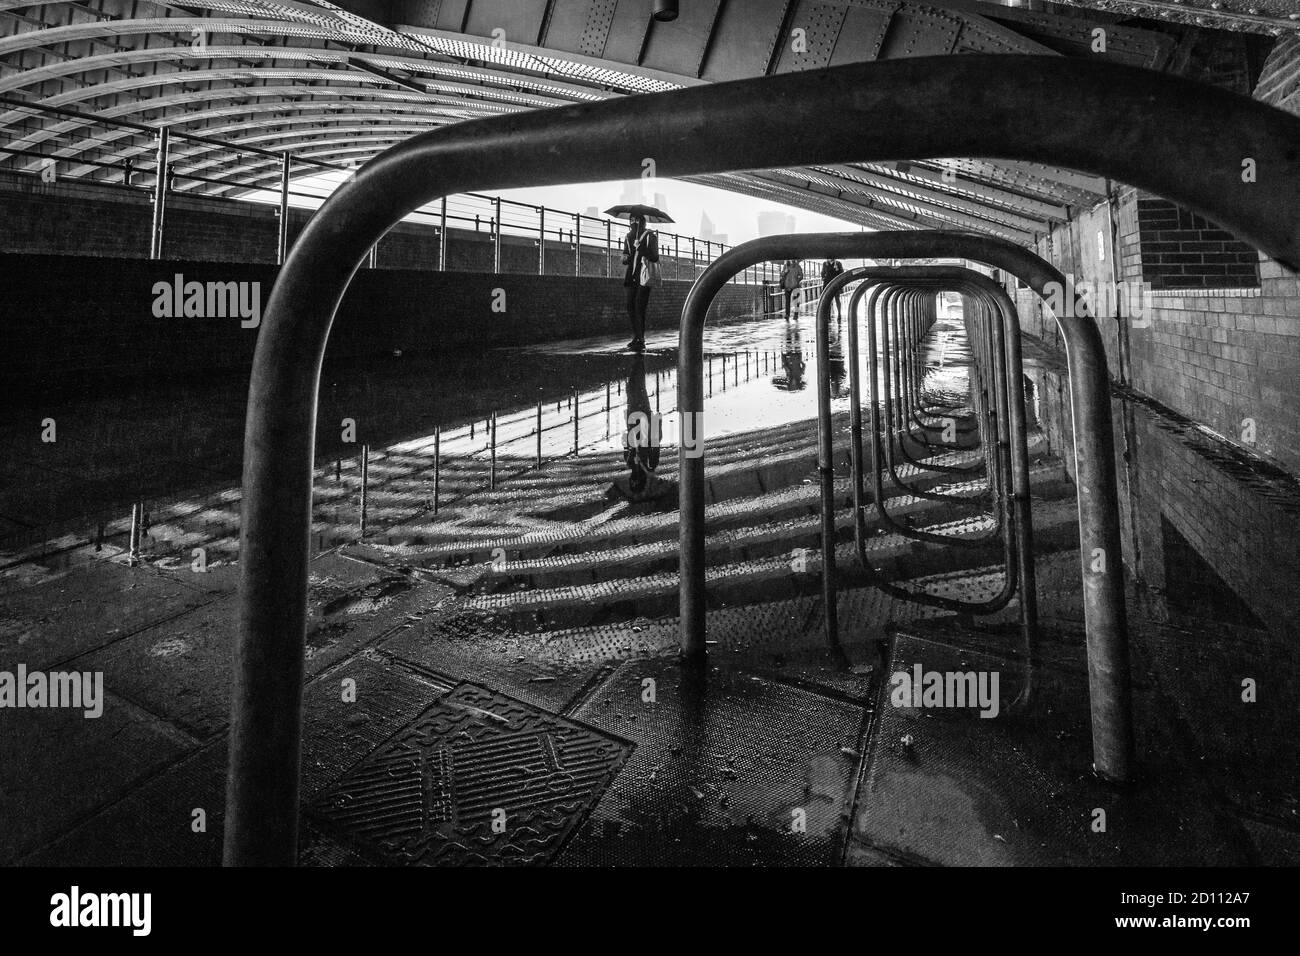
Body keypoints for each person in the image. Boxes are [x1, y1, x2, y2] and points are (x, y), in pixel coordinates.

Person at [621, 213, 660, 351]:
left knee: (639, 307)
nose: (633, 222)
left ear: (642, 221)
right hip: (631, 276)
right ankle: (635, 337)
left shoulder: (650, 236)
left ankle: (641, 338)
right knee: (630, 307)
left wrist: (641, 248)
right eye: (631, 220)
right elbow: (625, 256)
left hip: (644, 276)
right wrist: (625, 258)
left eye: (636, 220)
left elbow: (655, 257)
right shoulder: (628, 237)